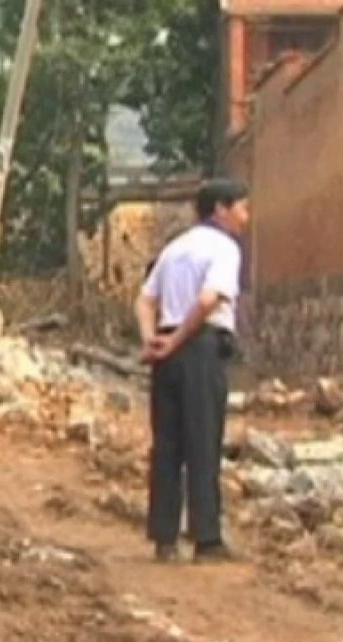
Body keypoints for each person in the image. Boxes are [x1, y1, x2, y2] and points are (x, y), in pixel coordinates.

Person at [136, 179, 248, 564]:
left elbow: (145, 298)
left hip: (167, 351)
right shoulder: (224, 248)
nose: (244, 218)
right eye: (241, 208)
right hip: (199, 346)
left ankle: (164, 537)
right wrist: (181, 338)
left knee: (167, 444)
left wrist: (153, 340)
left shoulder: (174, 248)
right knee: (203, 442)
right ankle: (206, 538)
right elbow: (207, 300)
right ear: (220, 208)